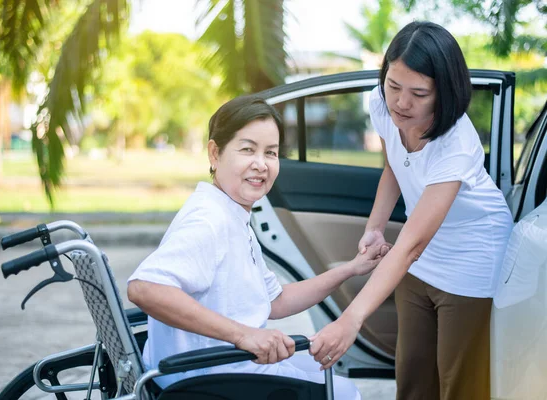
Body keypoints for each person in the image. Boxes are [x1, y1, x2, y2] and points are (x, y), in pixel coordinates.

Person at [127, 95, 388, 398]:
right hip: (206, 378)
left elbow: (276, 302)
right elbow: (144, 288)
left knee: (328, 374)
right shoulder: (209, 220)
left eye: (271, 153)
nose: (261, 165)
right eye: (248, 150)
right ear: (215, 153)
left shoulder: (232, 213)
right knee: (343, 393)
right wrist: (244, 335)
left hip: (221, 367)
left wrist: (351, 269)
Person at [308, 21, 513, 400]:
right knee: (413, 376)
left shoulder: (456, 144)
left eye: (419, 93)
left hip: (472, 255)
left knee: (460, 383)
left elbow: (409, 246)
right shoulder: (381, 106)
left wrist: (350, 320)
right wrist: (375, 227)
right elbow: (393, 168)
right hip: (419, 254)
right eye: (394, 86)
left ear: (444, 93)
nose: (401, 103)